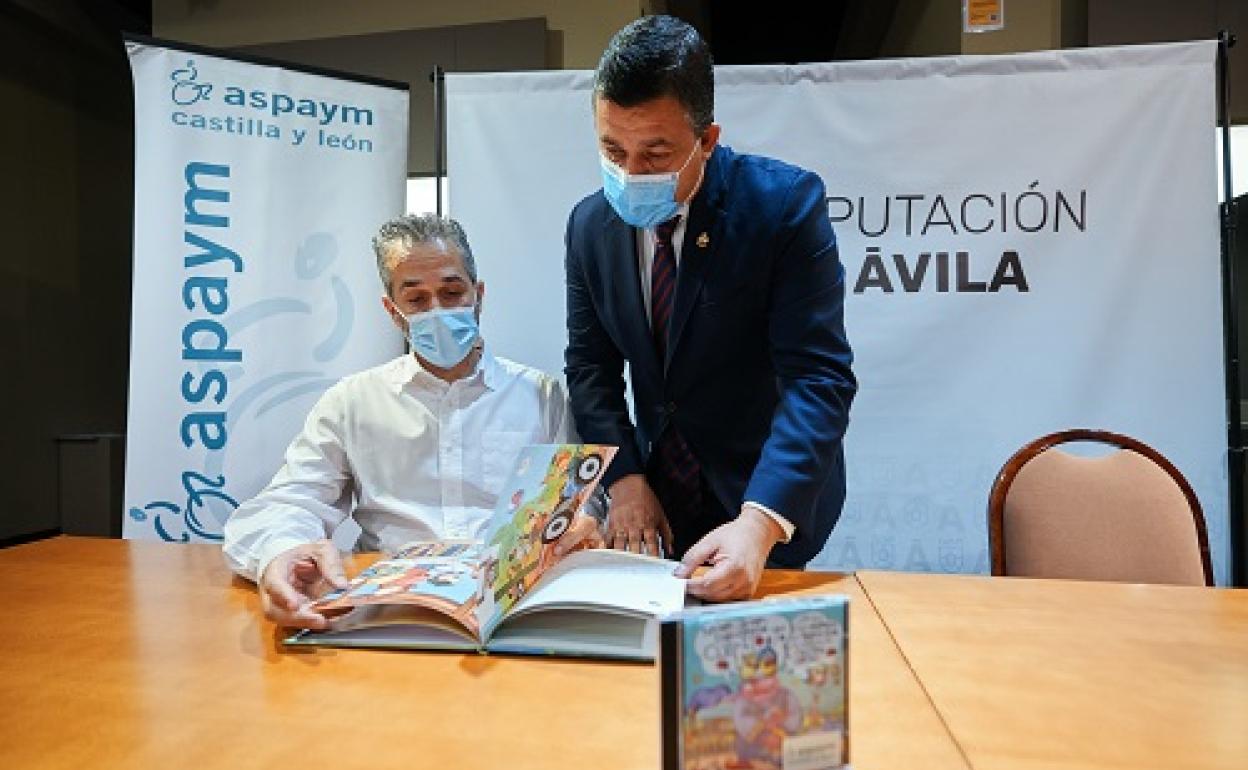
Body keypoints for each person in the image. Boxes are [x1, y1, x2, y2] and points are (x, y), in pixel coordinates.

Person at [564, 15, 856, 602]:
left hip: (761, 498)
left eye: (655, 153)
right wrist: (624, 480)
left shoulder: (783, 207)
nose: (629, 173)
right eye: (612, 148)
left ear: (707, 139)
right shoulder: (589, 225)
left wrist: (761, 522)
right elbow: (591, 368)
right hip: (653, 500)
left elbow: (817, 378)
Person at [224, 214, 595, 629]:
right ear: (392, 310)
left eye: (453, 292)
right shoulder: (352, 402)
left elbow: (581, 501)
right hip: (388, 611)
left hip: (511, 608)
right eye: (416, 300)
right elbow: (287, 503)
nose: (437, 310)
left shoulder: (541, 396)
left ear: (479, 295)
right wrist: (282, 550)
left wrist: (581, 524)